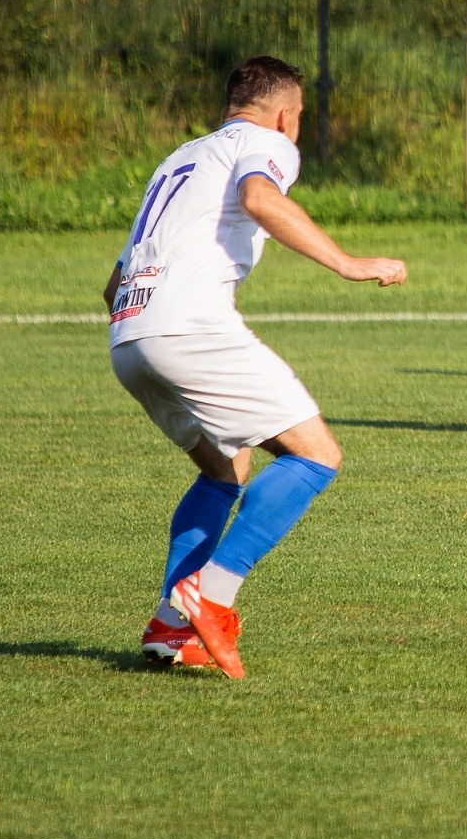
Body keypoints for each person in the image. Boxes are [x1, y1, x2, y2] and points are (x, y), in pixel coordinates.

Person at [106, 56, 406, 677]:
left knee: (226, 470)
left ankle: (171, 627)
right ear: (286, 115)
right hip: (188, 326)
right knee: (316, 454)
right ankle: (209, 595)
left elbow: (113, 283)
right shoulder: (267, 142)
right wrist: (351, 263)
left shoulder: (181, 158)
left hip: (129, 335)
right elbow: (260, 197)